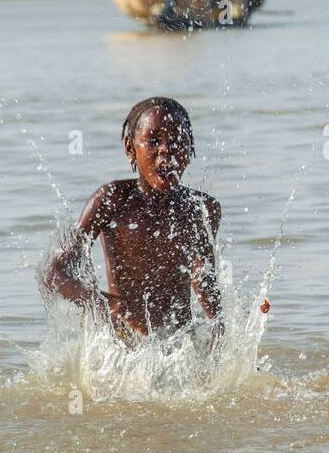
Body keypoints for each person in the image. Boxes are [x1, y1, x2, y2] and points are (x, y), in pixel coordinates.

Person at [43, 98, 222, 338]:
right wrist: (110, 306)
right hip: (125, 342)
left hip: (180, 343)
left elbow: (204, 280)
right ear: (130, 148)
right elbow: (55, 272)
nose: (166, 149)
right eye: (154, 140)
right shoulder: (112, 201)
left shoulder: (202, 208)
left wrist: (220, 333)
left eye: (178, 140)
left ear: (190, 149)